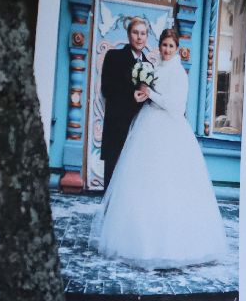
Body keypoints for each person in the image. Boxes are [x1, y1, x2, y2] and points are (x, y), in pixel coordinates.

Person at [93, 27, 228, 269]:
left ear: (177, 49)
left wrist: (150, 95)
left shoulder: (179, 73)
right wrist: (143, 94)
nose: (166, 50)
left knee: (168, 183)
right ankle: (138, 239)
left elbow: (176, 107)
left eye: (171, 46)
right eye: (164, 46)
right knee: (143, 181)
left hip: (169, 130)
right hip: (148, 125)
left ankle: (171, 244)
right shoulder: (155, 68)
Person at [99, 15, 152, 185]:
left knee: (132, 180)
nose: (139, 37)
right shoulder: (114, 56)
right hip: (117, 127)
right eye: (135, 32)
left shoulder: (149, 64)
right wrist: (131, 95)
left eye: (143, 34)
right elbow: (106, 89)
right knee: (112, 178)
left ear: (147, 37)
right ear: (129, 35)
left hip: (138, 129)